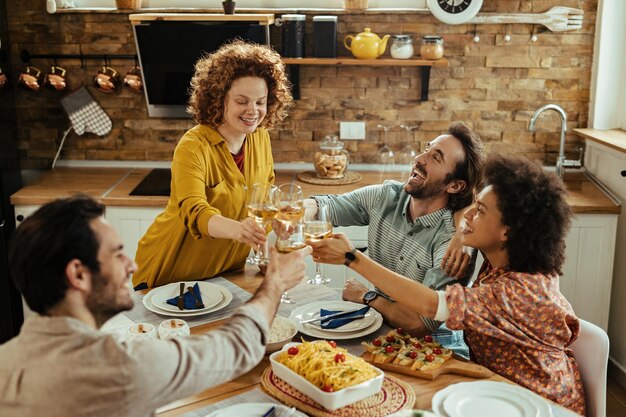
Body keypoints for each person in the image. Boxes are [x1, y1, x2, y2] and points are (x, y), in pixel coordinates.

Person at [309, 155, 585, 414]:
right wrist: (462, 230)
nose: (468, 215)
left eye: (480, 211)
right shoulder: (506, 260)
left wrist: (352, 258)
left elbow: (431, 304)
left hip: (538, 404)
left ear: (507, 232)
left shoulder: (519, 290)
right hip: (495, 391)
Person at [0, 195, 310, 417]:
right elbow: (232, 347)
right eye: (118, 254)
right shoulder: (117, 366)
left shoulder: (6, 359)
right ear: (78, 274)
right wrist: (274, 283)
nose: (132, 266)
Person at [308, 121, 484, 355]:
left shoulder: (452, 245)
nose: (420, 159)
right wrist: (299, 209)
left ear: (454, 186)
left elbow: (419, 325)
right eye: (426, 149)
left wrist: (367, 296)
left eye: (436, 158)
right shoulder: (386, 196)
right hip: (381, 332)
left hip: (434, 350)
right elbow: (327, 206)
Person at [133, 40, 293, 289]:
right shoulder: (193, 146)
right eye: (242, 101)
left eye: (260, 102)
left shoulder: (260, 138)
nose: (253, 110)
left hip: (226, 275)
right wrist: (240, 230)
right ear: (219, 99)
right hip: (170, 275)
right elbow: (195, 212)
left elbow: (263, 204)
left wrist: (264, 253)